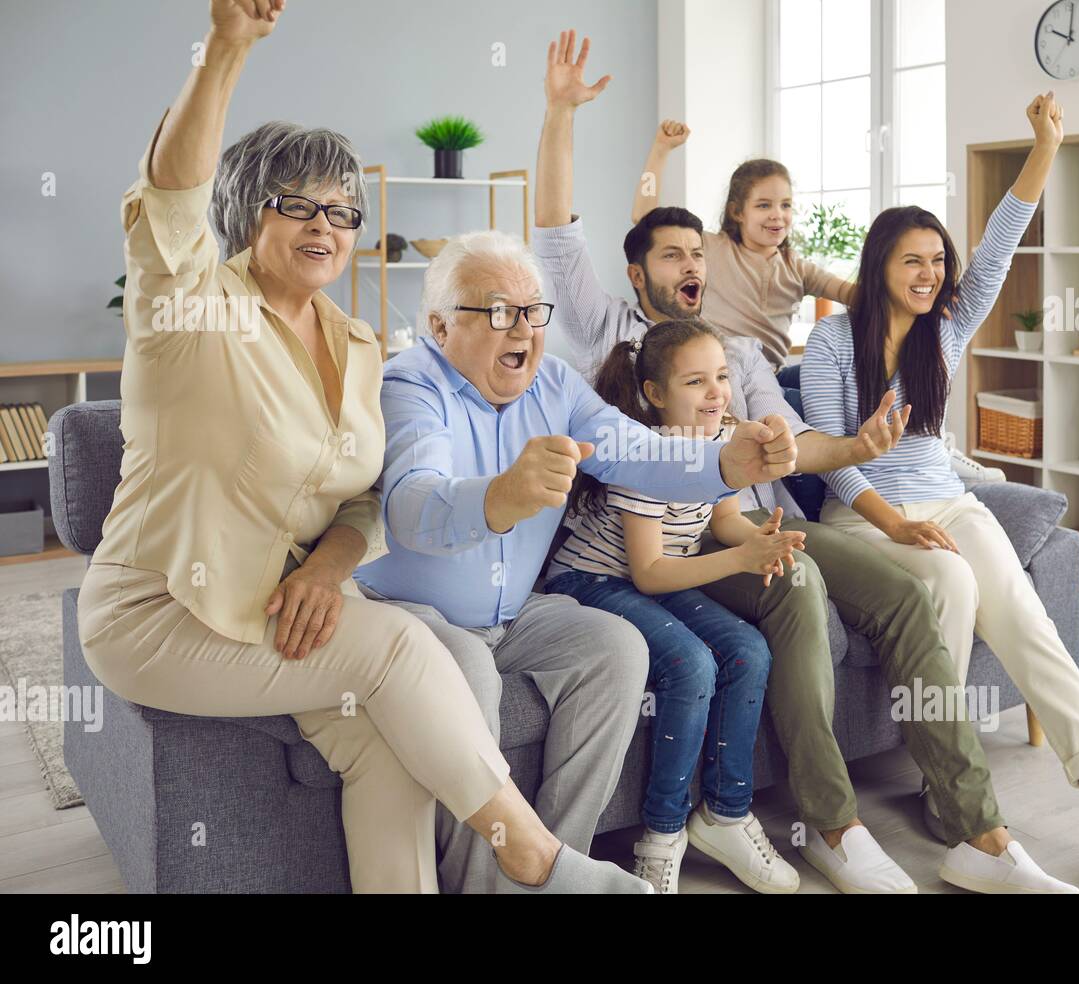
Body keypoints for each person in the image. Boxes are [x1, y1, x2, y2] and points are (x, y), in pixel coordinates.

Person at [77, 0, 650, 896]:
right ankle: (532, 858)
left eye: (344, 212)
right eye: (296, 204)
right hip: (160, 612)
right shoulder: (190, 313)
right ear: (244, 214)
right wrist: (226, 48)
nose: (325, 225)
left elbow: (363, 498)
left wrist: (325, 566)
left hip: (277, 609)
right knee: (398, 650)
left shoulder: (353, 345)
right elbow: (169, 207)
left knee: (386, 747)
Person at [533, 29, 1079, 894]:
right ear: (636, 272)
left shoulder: (738, 357)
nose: (690, 266)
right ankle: (833, 823)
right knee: (795, 587)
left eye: (696, 254)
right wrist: (561, 116)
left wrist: (853, 449)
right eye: (670, 255)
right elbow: (556, 233)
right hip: (667, 546)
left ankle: (977, 832)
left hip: (746, 513)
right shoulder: (610, 335)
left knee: (907, 593)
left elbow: (790, 442)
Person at [801, 92, 1079, 894]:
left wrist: (1047, 144)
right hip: (866, 513)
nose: (930, 273)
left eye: (937, 261)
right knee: (948, 579)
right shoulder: (833, 339)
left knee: (1027, 619)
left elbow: (1004, 238)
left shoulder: (947, 326)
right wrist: (895, 525)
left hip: (950, 501)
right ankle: (955, 800)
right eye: (912, 260)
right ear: (879, 266)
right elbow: (833, 461)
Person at [353, 229, 800, 894]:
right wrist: (501, 497)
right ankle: (488, 880)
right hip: (413, 615)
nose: (525, 330)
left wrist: (724, 463)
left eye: (535, 311)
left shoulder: (554, 384)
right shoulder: (409, 386)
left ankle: (556, 866)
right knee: (468, 672)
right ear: (440, 325)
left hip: (514, 613)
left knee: (616, 647)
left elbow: (640, 452)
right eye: (500, 311)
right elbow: (412, 508)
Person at [546, 319, 803, 894]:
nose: (716, 392)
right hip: (590, 581)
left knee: (748, 650)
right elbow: (651, 572)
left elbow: (726, 519)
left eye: (720, 377)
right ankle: (661, 837)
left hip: (649, 580)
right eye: (695, 382)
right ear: (656, 394)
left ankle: (726, 815)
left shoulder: (725, 444)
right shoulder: (648, 456)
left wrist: (759, 544)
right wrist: (739, 562)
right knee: (691, 664)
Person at [633, 120, 855, 370]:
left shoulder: (798, 268)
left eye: (785, 205)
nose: (777, 215)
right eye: (763, 205)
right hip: (720, 372)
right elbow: (644, 217)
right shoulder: (710, 248)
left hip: (771, 380)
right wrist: (660, 150)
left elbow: (853, 294)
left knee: (824, 377)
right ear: (737, 211)